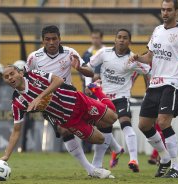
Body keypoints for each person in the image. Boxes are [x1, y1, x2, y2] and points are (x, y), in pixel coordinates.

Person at [24, 25, 114, 178]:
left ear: (59, 39)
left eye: (54, 39)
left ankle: (113, 151)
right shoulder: (34, 57)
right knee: (64, 130)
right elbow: (26, 78)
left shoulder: (70, 53)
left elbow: (90, 72)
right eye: (48, 39)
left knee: (108, 121)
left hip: (73, 98)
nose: (51, 42)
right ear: (42, 41)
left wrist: (79, 68)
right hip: (51, 104)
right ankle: (91, 169)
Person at [0, 65, 117, 178]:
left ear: (20, 73)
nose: (10, 77)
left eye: (12, 74)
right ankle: (91, 169)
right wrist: (6, 155)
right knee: (100, 139)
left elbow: (58, 80)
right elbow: (16, 131)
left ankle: (97, 90)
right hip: (69, 120)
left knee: (113, 118)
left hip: (77, 101)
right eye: (6, 77)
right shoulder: (17, 103)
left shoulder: (33, 75)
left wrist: (39, 97)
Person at [129, 0, 178, 178]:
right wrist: (138, 57)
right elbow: (150, 57)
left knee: (163, 122)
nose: (165, 13)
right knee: (144, 125)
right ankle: (164, 158)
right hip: (155, 83)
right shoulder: (157, 30)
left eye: (169, 10)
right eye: (163, 9)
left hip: (172, 83)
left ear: (177, 11)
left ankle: (176, 167)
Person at [86, 28, 151, 172]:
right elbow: (89, 67)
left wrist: (150, 89)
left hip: (121, 98)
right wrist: (89, 84)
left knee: (125, 124)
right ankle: (97, 165)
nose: (122, 40)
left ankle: (133, 159)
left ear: (130, 41)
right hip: (104, 99)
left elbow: (148, 70)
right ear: (115, 40)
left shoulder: (133, 59)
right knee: (105, 132)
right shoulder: (104, 53)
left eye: (125, 38)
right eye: (119, 37)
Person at [81, 29, 105, 153]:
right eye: (93, 38)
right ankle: (87, 146)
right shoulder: (86, 54)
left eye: (97, 38)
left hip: (103, 89)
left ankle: (104, 145)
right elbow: (83, 71)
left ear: (101, 38)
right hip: (90, 90)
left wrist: (99, 76)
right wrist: (88, 85)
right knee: (87, 116)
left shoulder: (106, 52)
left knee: (102, 116)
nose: (95, 40)